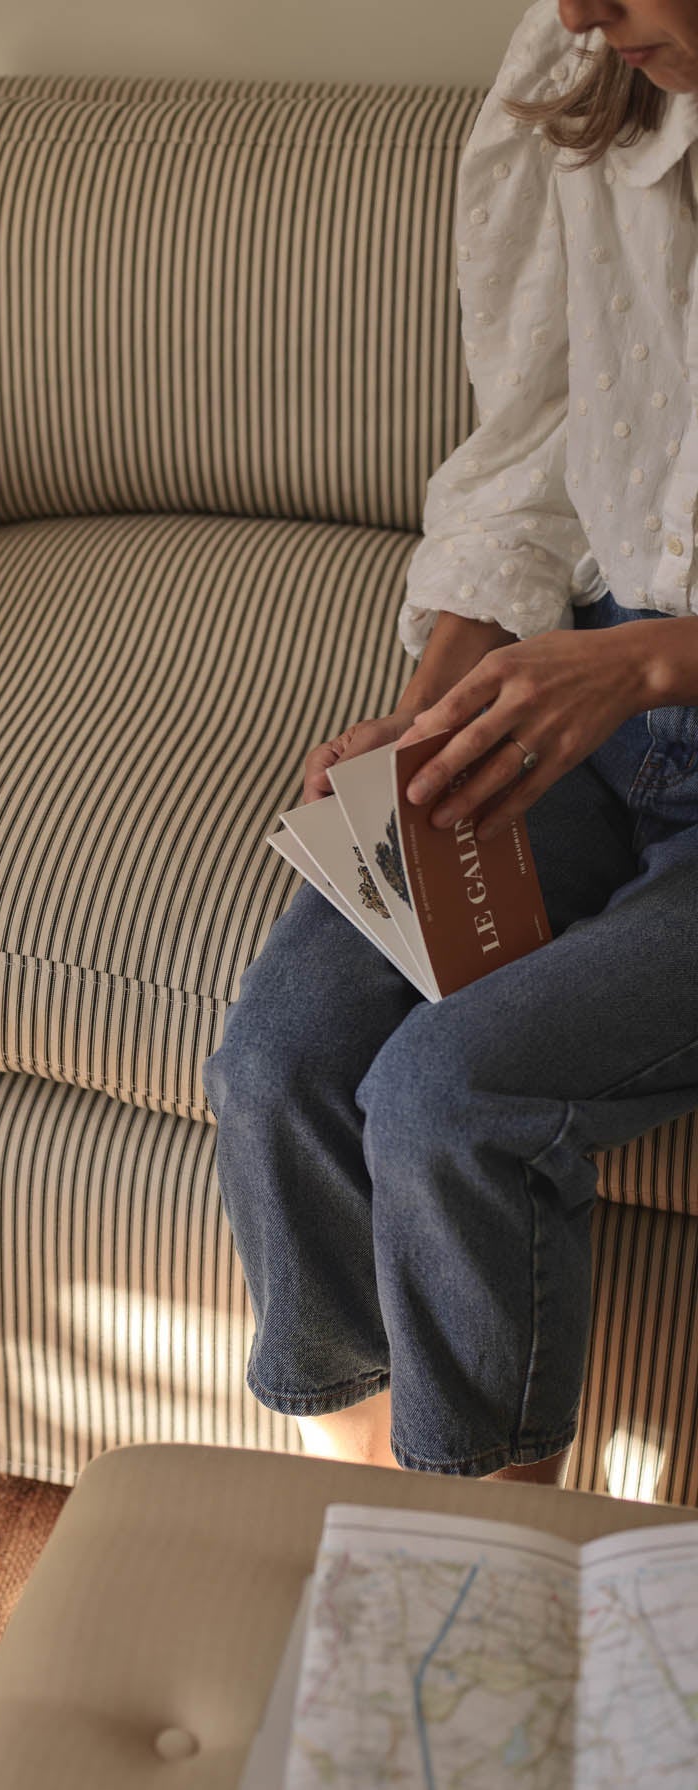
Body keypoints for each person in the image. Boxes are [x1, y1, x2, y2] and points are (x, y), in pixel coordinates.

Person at [200, 0, 698, 1487]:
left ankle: (481, 1576)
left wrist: (646, 659)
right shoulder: (584, 80)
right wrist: (444, 695)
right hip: (599, 717)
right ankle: (375, 1512)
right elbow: (540, 441)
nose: (585, 9)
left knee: (448, 1095)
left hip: (625, 683)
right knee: (276, 1062)